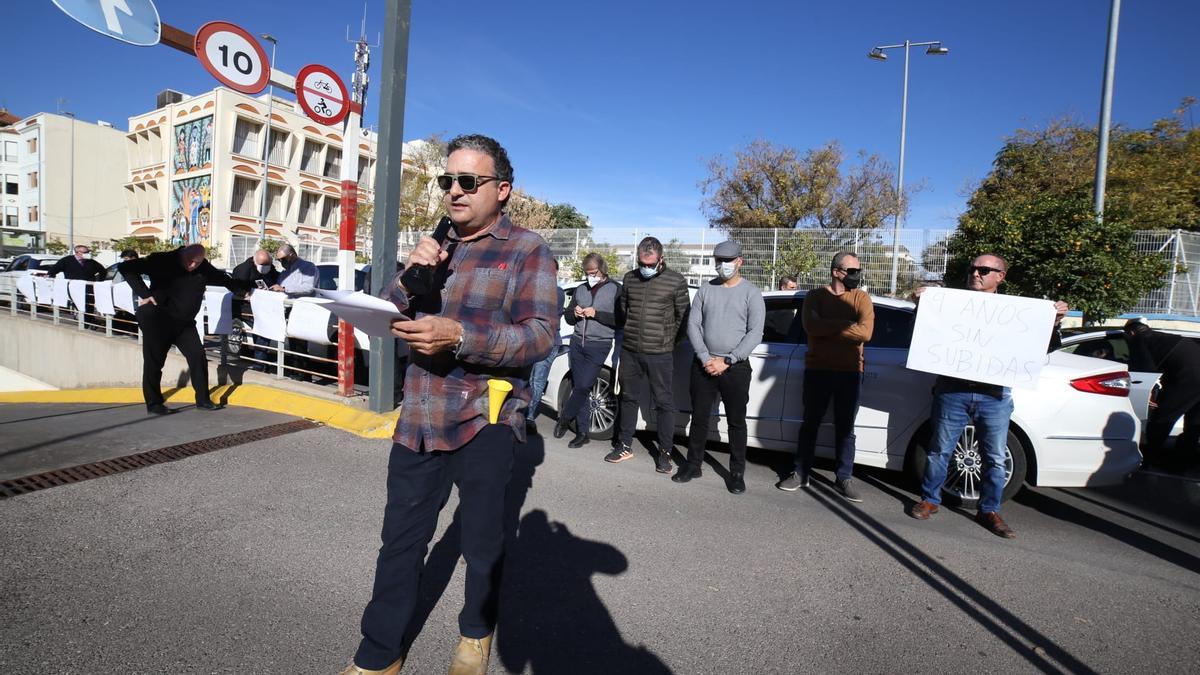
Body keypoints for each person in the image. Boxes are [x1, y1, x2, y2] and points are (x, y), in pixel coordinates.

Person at [340, 134, 558, 675]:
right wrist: (412, 273)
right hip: (418, 417)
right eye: (447, 181)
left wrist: (459, 336)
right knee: (400, 542)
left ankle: (475, 635)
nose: (454, 192)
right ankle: (378, 655)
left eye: (469, 181)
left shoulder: (526, 249)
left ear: (502, 190)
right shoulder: (436, 244)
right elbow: (389, 313)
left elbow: (538, 337)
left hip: (485, 417)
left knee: (482, 543)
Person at [908, 253, 1068, 538]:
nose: (976, 274)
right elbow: (921, 336)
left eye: (984, 269)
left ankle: (990, 509)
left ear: (1000, 276)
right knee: (939, 450)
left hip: (994, 396)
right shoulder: (949, 305)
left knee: (994, 457)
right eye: (973, 268)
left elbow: (1042, 348)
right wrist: (920, 306)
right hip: (952, 390)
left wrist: (1053, 321)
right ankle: (930, 500)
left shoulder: (1018, 311)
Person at [777, 252, 874, 501]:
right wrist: (845, 324)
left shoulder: (862, 298)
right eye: (852, 271)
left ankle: (844, 478)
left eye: (858, 270)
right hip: (818, 370)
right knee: (810, 424)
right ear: (836, 271)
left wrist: (828, 325)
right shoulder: (815, 296)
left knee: (845, 429)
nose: (857, 275)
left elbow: (865, 333)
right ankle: (800, 472)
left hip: (851, 373)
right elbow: (811, 326)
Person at [673, 241, 764, 494]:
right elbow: (694, 325)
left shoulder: (751, 293)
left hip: (735, 367)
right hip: (703, 364)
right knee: (699, 417)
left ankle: (736, 472)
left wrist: (728, 360)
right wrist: (704, 357)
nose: (722, 266)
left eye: (728, 260)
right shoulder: (705, 289)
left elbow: (755, 332)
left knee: (736, 422)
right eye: (719, 261)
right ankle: (693, 465)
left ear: (739, 261)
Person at [118, 244, 251, 415]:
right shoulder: (161, 259)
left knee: (198, 357)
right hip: (158, 320)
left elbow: (223, 279)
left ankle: (203, 400)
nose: (192, 266)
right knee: (154, 362)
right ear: (182, 253)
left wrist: (246, 291)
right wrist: (144, 294)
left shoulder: (202, 267)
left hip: (184, 323)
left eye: (197, 263)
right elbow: (126, 268)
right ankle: (154, 403)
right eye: (189, 261)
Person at [608, 236, 690, 473]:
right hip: (631, 350)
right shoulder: (630, 279)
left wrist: (668, 342)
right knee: (629, 398)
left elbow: (683, 317)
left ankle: (665, 453)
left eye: (650, 264)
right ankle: (624, 445)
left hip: (660, 353)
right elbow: (623, 310)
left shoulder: (676, 281)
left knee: (664, 403)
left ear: (661, 259)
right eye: (642, 263)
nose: (645, 268)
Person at [556, 252, 622, 448]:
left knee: (584, 386)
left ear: (602, 270)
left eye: (593, 272)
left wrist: (597, 314)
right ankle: (582, 432)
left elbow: (621, 319)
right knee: (580, 387)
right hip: (577, 343)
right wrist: (574, 313)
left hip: (599, 345)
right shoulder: (580, 289)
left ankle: (565, 418)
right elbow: (567, 317)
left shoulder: (616, 289)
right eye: (587, 273)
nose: (589, 276)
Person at [1125, 319, 1200, 471]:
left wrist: (1150, 394)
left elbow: (1144, 369)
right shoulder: (1164, 337)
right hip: (1190, 373)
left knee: (1163, 417)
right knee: (1194, 422)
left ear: (1131, 332)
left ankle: (1148, 458)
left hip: (1188, 377)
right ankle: (1183, 461)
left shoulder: (1139, 339)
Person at [526, 258, 566, 434]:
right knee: (527, 379)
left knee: (537, 380)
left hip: (548, 343)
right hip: (531, 340)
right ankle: (522, 412)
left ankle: (529, 417)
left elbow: (541, 311)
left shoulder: (557, 292)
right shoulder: (533, 289)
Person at [231, 249, 279, 370]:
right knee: (262, 332)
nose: (266, 267)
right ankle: (260, 364)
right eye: (262, 265)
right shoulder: (242, 270)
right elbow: (235, 286)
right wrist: (245, 294)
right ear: (255, 260)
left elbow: (276, 278)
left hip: (264, 306)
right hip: (246, 308)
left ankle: (260, 363)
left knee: (263, 334)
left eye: (268, 264)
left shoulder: (271, 269)